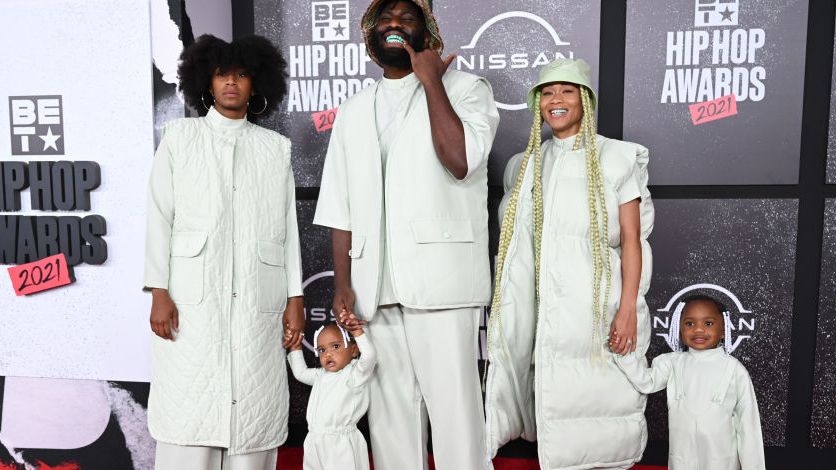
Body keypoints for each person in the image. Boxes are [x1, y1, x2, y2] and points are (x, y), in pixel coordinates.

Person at [313, 0, 500, 468]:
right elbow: (339, 203)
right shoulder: (354, 109)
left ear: (427, 31)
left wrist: (432, 81)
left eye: (407, 18)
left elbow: (461, 160)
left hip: (443, 283)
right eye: (385, 19)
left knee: (456, 416)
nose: (394, 24)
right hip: (374, 287)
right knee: (390, 424)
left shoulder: (467, 88)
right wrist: (343, 284)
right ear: (370, 34)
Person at [143, 34, 304, 470]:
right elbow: (159, 217)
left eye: (242, 74)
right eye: (221, 74)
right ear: (206, 82)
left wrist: (295, 297)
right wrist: (158, 290)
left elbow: (287, 230)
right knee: (190, 409)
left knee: (253, 413)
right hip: (191, 301)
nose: (231, 82)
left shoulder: (275, 149)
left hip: (258, 299)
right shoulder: (179, 138)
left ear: (257, 84)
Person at [484, 58, 654, 469]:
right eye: (547, 92)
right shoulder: (527, 165)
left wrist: (627, 310)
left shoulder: (616, 157)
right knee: (556, 394)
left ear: (585, 99)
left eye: (567, 90)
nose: (556, 100)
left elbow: (632, 240)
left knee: (601, 395)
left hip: (599, 305)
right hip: (547, 308)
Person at [614, 295, 766, 469]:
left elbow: (748, 427)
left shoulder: (734, 370)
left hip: (721, 459)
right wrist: (624, 354)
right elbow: (646, 382)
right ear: (679, 329)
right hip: (682, 457)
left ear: (724, 330)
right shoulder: (672, 363)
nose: (698, 330)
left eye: (708, 323)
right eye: (689, 323)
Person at [287, 321, 377, 470]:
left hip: (341, 442)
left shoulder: (354, 374)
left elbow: (369, 357)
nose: (327, 354)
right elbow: (300, 373)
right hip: (314, 440)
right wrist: (295, 347)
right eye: (322, 350)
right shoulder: (320, 375)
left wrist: (356, 331)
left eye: (335, 346)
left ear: (354, 350)